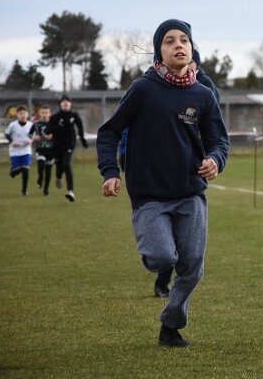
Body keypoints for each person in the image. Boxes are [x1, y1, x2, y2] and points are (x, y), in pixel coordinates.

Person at [96, 19, 229, 348]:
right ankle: (151, 247)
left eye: (184, 40)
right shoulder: (143, 89)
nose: (178, 45)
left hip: (191, 195)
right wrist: (110, 171)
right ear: (160, 50)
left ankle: (171, 325)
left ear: (191, 47)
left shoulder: (203, 95)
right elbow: (109, 131)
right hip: (150, 196)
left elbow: (219, 141)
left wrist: (215, 160)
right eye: (170, 41)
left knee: (192, 269)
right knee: (161, 258)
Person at [151, 47, 221, 300]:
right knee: (166, 241)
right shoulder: (157, 86)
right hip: (165, 169)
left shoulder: (205, 87)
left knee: (185, 238)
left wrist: (212, 156)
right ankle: (162, 279)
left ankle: (175, 287)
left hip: (195, 165)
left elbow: (214, 122)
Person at [46, 95, 88, 202]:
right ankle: (58, 177)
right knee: (59, 167)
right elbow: (47, 130)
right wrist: (57, 127)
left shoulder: (74, 115)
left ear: (70, 104)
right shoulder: (55, 117)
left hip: (69, 145)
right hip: (56, 146)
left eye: (67, 101)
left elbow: (80, 126)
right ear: (60, 104)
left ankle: (70, 191)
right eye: (63, 102)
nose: (66, 103)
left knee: (66, 164)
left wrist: (82, 139)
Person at [4, 105, 34, 196]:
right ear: (17, 115)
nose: (23, 115)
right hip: (15, 151)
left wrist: (31, 140)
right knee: (16, 170)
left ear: (28, 114)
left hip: (26, 150)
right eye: (20, 113)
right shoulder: (13, 125)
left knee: (25, 169)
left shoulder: (31, 125)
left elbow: (34, 136)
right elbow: (7, 134)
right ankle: (13, 171)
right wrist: (12, 142)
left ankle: (24, 190)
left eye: (24, 113)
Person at [31, 104, 55, 196]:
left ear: (49, 114)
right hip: (40, 149)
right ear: (39, 114)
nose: (44, 114)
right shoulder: (36, 124)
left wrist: (53, 136)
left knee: (48, 172)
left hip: (51, 150)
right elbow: (29, 135)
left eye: (46, 113)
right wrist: (34, 138)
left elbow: (60, 135)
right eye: (43, 112)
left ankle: (46, 190)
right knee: (41, 165)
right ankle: (40, 178)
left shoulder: (53, 124)